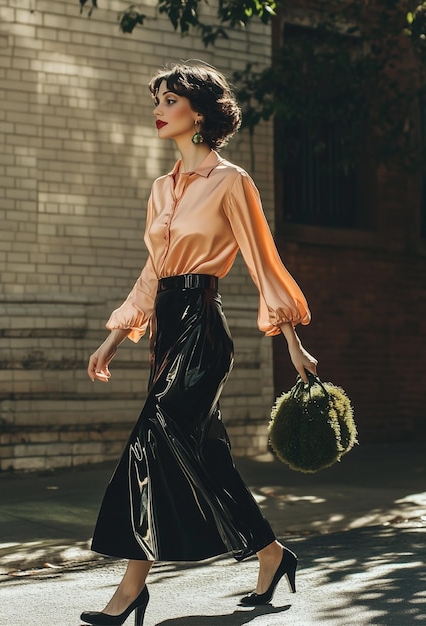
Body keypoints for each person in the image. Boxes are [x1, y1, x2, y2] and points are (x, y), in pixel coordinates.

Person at [81, 62, 318, 626]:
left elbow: (263, 264)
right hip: (164, 328)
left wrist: (292, 343)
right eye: (157, 99)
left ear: (201, 114)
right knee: (205, 457)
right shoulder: (161, 189)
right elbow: (151, 273)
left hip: (202, 329)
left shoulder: (232, 181)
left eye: (170, 99)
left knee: (152, 439)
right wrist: (114, 337)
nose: (159, 109)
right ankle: (270, 553)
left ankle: (131, 587)